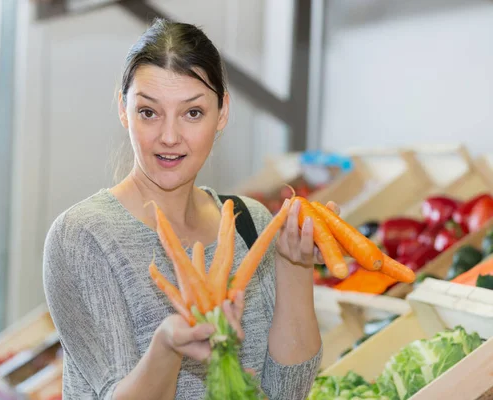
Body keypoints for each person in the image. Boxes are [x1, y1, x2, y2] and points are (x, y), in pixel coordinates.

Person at [43, 18, 335, 400]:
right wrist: (167, 347)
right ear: (123, 109)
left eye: (192, 113)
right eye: (148, 112)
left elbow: (286, 392)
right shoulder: (82, 238)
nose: (169, 136)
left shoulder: (250, 223)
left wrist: (296, 266)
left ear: (222, 112)